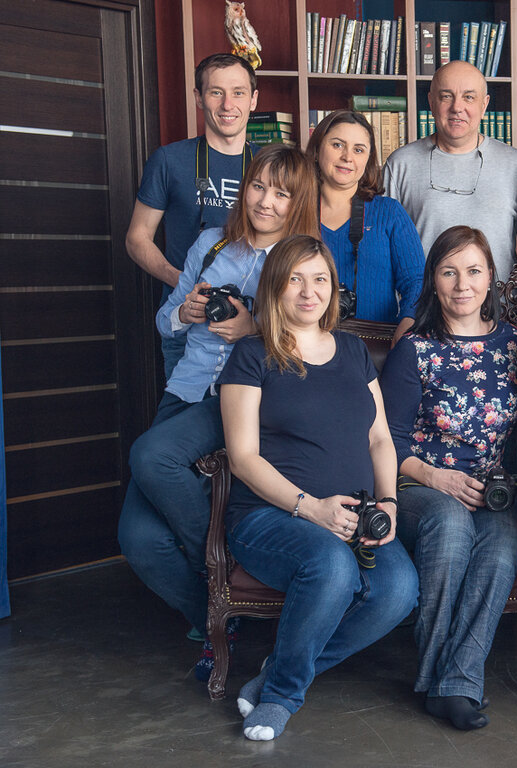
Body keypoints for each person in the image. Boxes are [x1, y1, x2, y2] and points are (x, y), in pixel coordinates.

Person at [117, 145, 319, 674]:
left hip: (239, 400)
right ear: (243, 187)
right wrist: (184, 312)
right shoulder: (211, 244)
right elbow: (164, 321)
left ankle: (220, 561)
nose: (266, 201)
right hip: (185, 391)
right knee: (137, 539)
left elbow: (314, 343)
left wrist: (255, 328)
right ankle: (215, 609)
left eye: (282, 193)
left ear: (298, 202)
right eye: (258, 186)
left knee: (151, 456)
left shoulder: (301, 261)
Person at [219, 235, 418, 741]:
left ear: (334, 288)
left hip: (354, 516)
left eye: (320, 279)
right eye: (295, 280)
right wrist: (311, 509)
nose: (309, 292)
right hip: (270, 517)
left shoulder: (352, 350)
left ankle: (278, 670)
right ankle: (282, 696)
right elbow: (242, 458)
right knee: (330, 566)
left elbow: (379, 439)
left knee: (399, 590)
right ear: (274, 288)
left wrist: (389, 503)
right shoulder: (251, 355)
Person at [380, 226, 517, 731]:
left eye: (474, 271)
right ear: (433, 281)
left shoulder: (516, 345)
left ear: (491, 277)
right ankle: (435, 677)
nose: (463, 284)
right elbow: (385, 441)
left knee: (501, 548)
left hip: (491, 492)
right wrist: (435, 478)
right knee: (451, 524)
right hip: (418, 485)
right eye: (449, 271)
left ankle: (456, 685)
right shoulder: (414, 349)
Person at [127, 53, 260, 378]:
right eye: (216, 92)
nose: (228, 104)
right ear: (199, 97)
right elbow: (137, 238)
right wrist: (182, 281)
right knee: (185, 407)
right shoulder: (169, 160)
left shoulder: (271, 164)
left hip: (255, 325)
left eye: (238, 92)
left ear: (254, 99)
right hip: (187, 320)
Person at [383, 60, 517, 280]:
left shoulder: (515, 165)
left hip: (499, 299)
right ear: (431, 102)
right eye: (446, 96)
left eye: (468, 97)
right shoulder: (400, 164)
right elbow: (385, 248)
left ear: (484, 105)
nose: (457, 107)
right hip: (422, 300)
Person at [307, 110, 425, 345]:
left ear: (369, 159)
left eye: (358, 150)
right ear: (318, 148)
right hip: (304, 345)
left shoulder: (389, 213)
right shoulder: (296, 211)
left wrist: (408, 322)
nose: (347, 157)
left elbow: (417, 281)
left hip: (376, 346)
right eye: (337, 145)